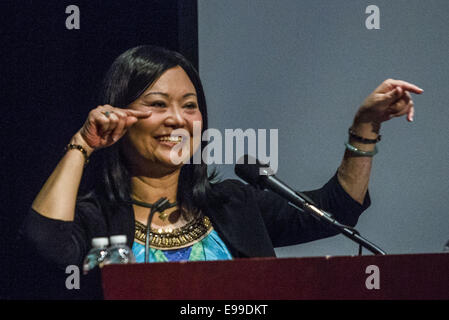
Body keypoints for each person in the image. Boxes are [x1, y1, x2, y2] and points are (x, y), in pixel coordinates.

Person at [21, 45, 423, 268]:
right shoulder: (98, 218)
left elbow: (339, 208)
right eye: (158, 104)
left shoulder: (234, 204)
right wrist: (84, 143)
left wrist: (366, 126)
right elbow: (46, 244)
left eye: (190, 105)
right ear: (120, 115)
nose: (178, 119)